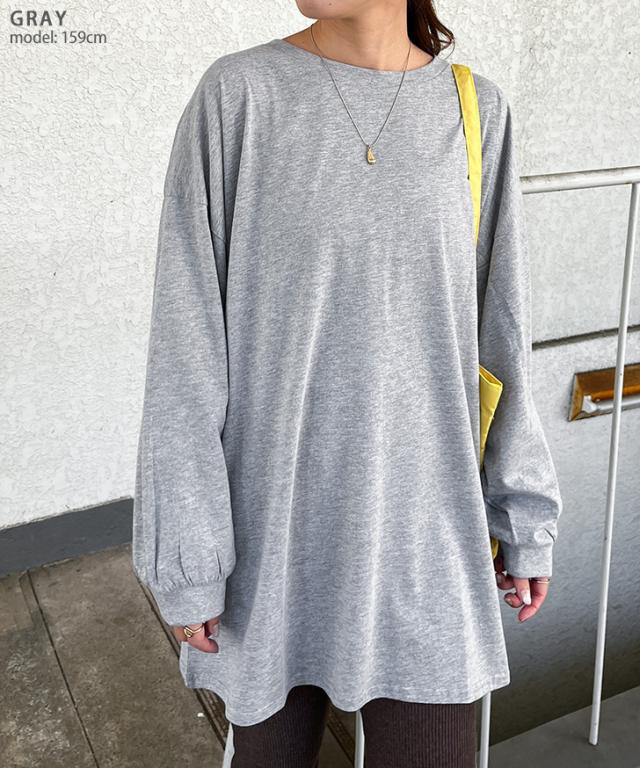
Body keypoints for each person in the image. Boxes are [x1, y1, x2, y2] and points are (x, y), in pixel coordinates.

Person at [132, 2, 563, 765]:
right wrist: (189, 559)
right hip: (272, 542)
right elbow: (185, 351)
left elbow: (501, 335)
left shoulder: (476, 111)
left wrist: (523, 512)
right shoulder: (240, 97)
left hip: (428, 537)